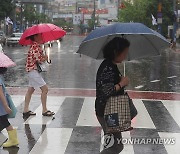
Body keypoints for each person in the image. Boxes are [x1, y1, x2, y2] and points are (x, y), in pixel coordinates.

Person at [95, 37, 130, 154]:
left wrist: (119, 81)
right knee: (115, 146)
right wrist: (122, 83)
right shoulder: (108, 67)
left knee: (113, 144)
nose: (125, 55)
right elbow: (106, 91)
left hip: (108, 111)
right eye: (124, 52)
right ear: (116, 52)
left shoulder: (110, 65)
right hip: (107, 112)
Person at [24, 34, 54, 117]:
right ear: (35, 37)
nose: (41, 37)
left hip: (32, 71)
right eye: (40, 36)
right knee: (45, 89)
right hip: (33, 71)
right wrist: (45, 57)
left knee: (30, 90)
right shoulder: (35, 47)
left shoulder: (36, 46)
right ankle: (44, 110)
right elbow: (39, 60)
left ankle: (25, 110)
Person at [0, 67, 19, 148]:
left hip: (1, 105)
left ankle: (13, 140)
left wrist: (6, 106)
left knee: (4, 121)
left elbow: (0, 93)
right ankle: (13, 139)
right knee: (3, 121)